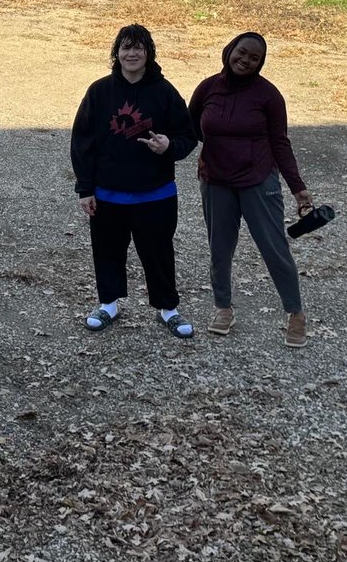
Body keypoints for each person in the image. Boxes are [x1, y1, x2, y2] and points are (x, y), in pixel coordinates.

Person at [70, 24, 198, 338]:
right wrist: (85, 188)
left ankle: (168, 309)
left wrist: (169, 147)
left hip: (156, 193)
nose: (132, 53)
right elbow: (82, 142)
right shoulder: (99, 91)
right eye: (126, 47)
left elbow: (188, 135)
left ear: (148, 53)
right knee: (107, 251)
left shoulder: (165, 92)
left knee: (159, 253)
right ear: (117, 53)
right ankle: (108, 304)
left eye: (139, 47)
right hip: (108, 193)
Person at [188, 31, 315, 349]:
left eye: (254, 58)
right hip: (216, 182)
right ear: (229, 51)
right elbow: (189, 129)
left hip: (258, 181)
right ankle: (223, 308)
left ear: (261, 63)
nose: (245, 60)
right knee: (219, 249)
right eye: (241, 53)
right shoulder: (207, 88)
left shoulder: (268, 96)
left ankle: (295, 314)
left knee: (274, 248)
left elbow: (280, 143)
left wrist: (298, 189)